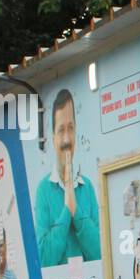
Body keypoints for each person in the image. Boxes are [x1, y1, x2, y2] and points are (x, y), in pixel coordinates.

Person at [34, 89, 101, 266]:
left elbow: (100, 252)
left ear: (76, 132)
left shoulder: (87, 187)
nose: (66, 139)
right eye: (61, 130)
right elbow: (44, 259)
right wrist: (66, 212)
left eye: (70, 129)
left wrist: (76, 213)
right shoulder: (43, 191)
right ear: (53, 138)